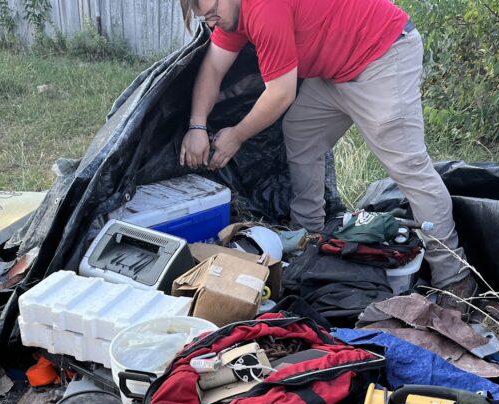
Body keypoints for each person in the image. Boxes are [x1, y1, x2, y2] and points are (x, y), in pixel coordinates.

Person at [178, 0, 477, 305]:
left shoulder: (264, 7)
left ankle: (454, 276)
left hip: (382, 54)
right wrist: (197, 126)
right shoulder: (231, 15)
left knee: (409, 169)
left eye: (213, 11)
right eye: (205, 19)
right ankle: (308, 237)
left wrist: (236, 136)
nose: (213, 22)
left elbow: (280, 93)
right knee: (300, 131)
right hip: (336, 72)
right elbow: (213, 67)